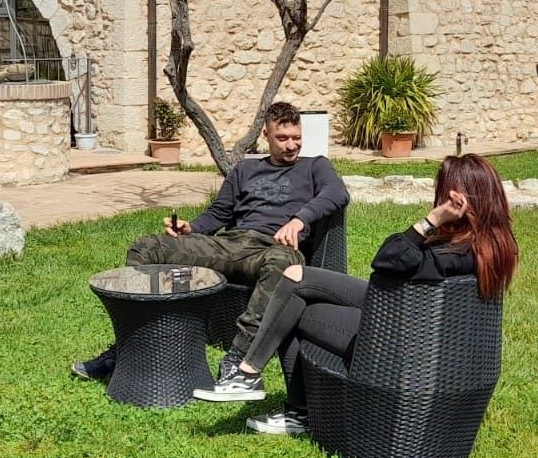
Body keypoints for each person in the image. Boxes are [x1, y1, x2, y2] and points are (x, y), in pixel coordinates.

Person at [192, 153, 518, 435]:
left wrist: (432, 220)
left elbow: (387, 259)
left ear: (457, 200)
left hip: (390, 333)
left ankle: (274, 394)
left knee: (293, 307)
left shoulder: (449, 254)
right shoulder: (491, 245)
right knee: (295, 276)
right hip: (402, 315)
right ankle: (252, 376)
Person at [71, 100, 349, 382]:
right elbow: (219, 213)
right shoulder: (245, 170)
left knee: (283, 263)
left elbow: (337, 193)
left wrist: (299, 219)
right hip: (230, 244)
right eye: (283, 138)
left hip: (273, 249)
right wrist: (191, 227)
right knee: (146, 248)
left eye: (296, 138)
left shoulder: (315, 166)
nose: (291, 145)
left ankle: (239, 357)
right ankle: (129, 347)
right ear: (266, 135)